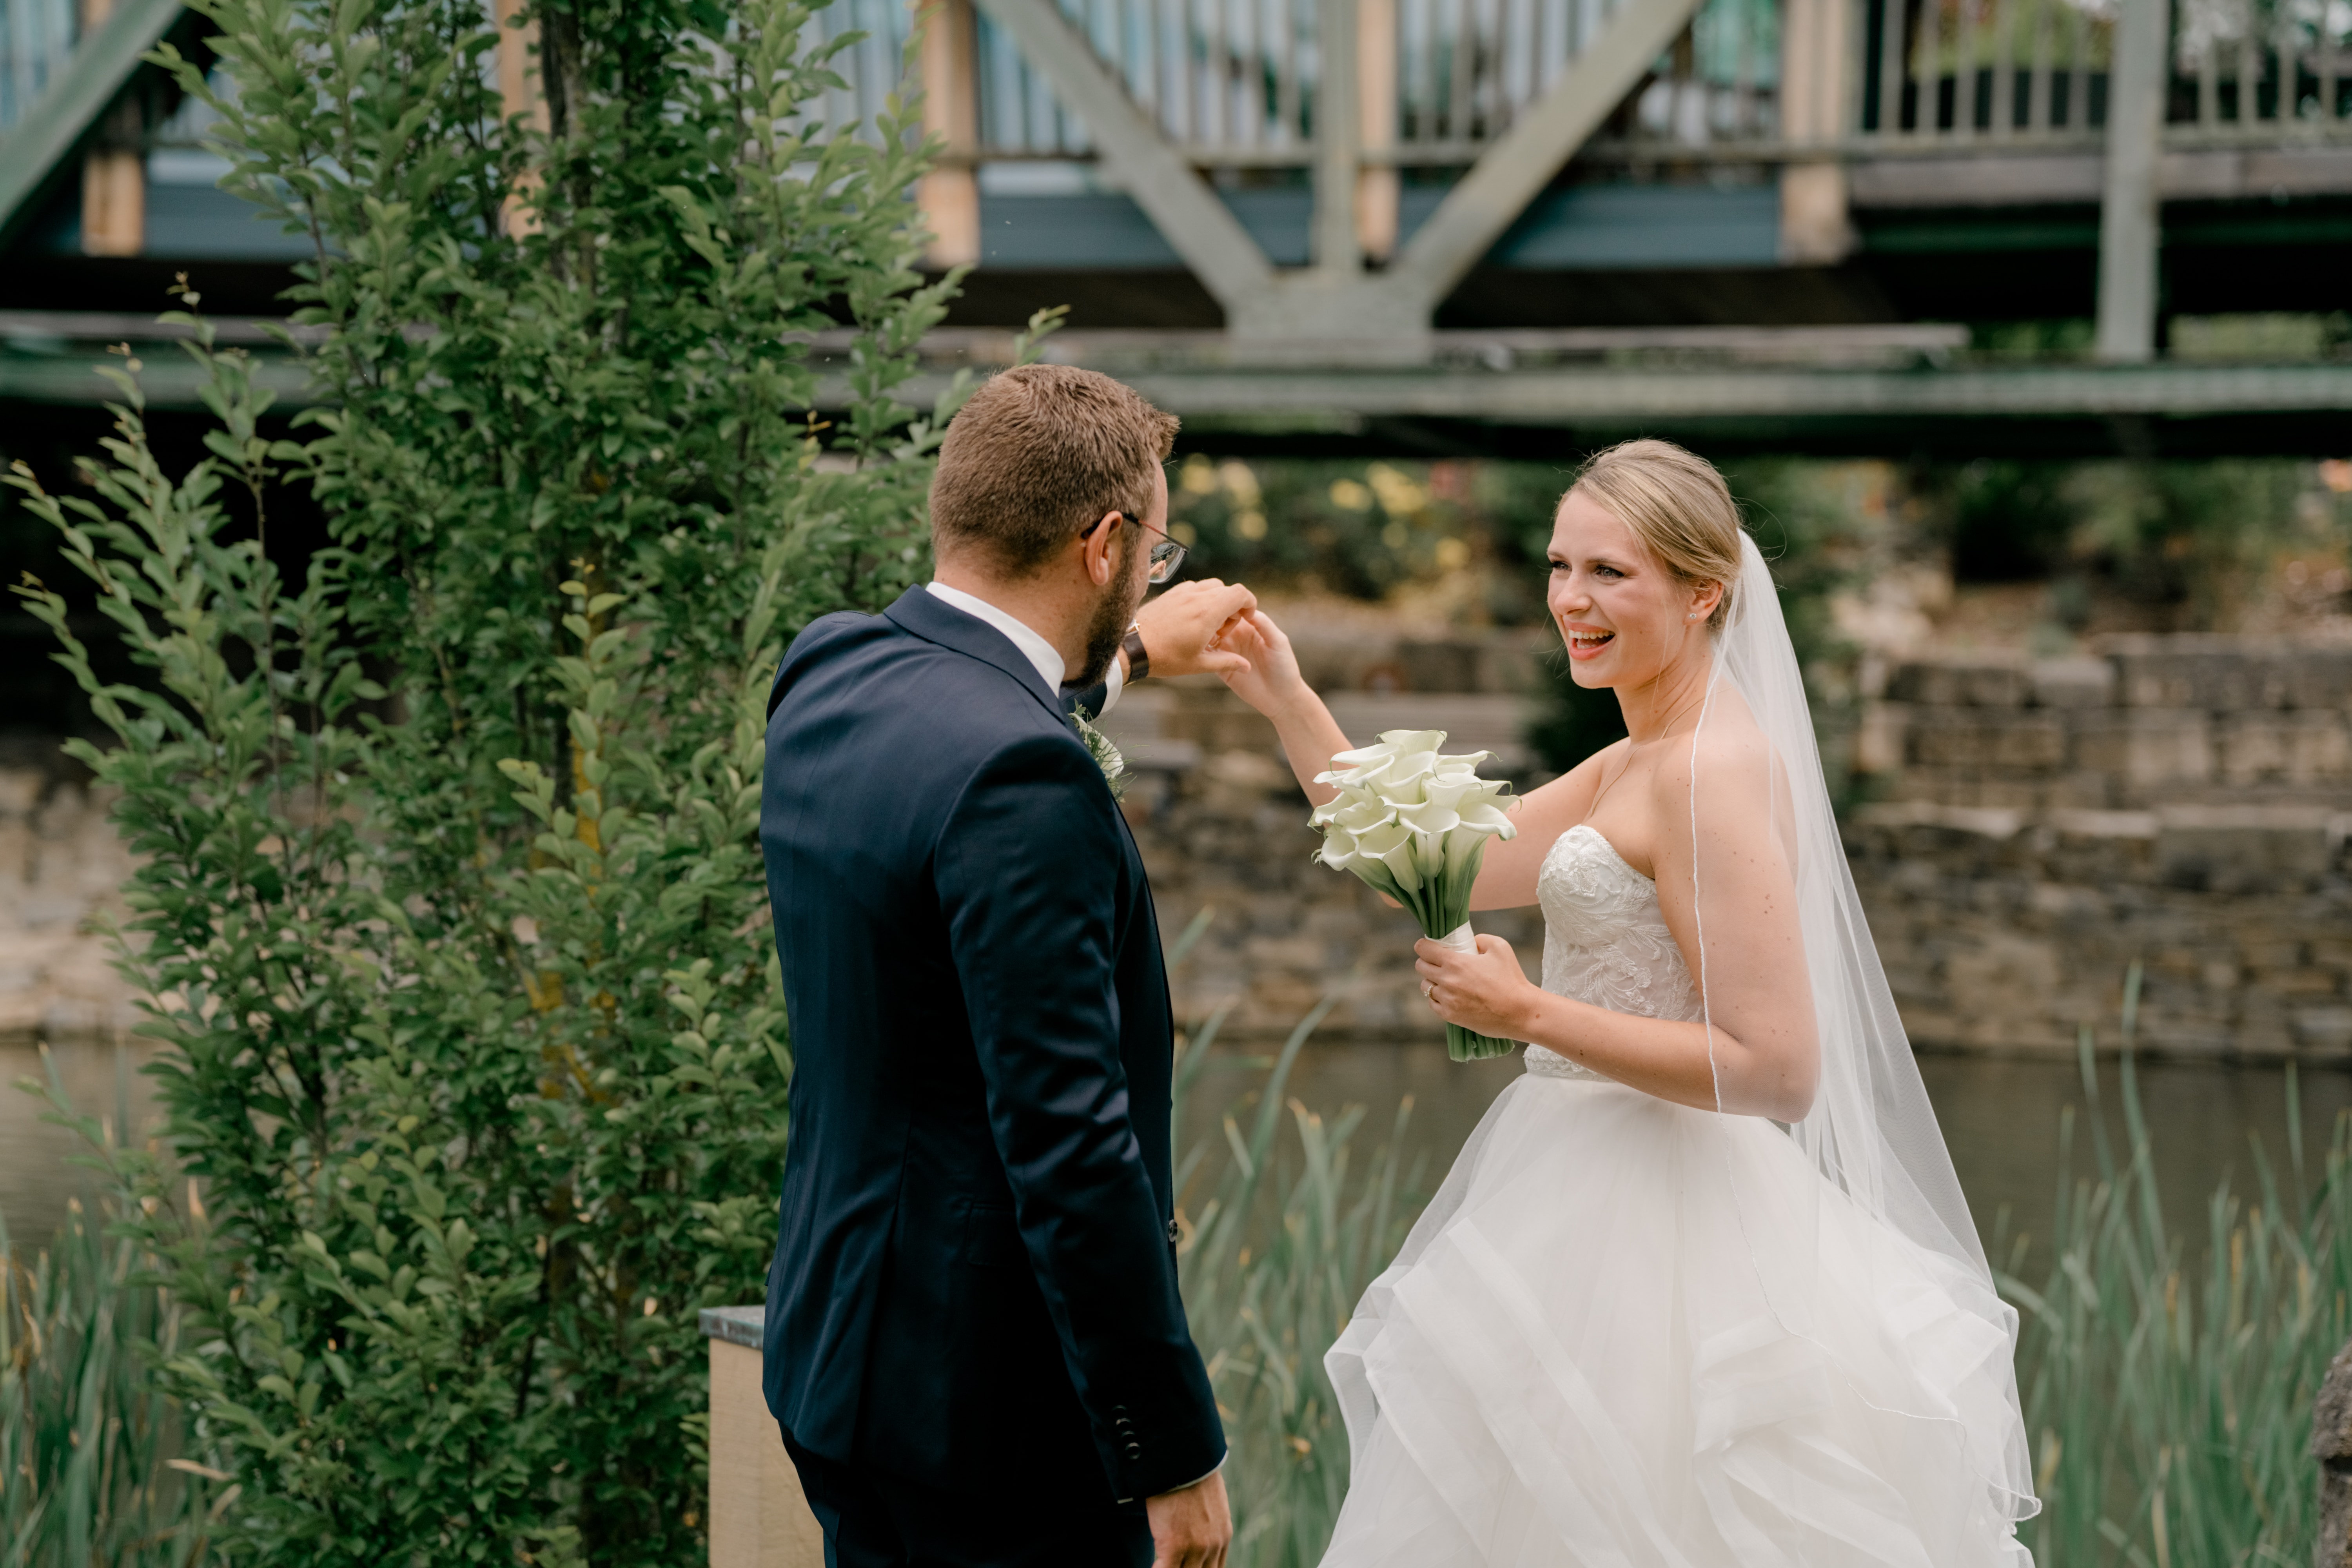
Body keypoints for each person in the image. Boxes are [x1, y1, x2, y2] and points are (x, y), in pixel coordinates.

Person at [1214, 439, 2040, 1566]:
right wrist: (1283, 693)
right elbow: (1431, 853)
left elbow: (1775, 1066)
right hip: (1570, 1190)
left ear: (1704, 593)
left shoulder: (1710, 772)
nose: (1570, 599)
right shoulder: (1639, 757)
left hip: (1667, 1238)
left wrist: (1529, 1016)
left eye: (1610, 573)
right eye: (1560, 566)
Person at [759, 363, 1254, 1567]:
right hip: (986, 1421)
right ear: (1105, 544)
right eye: (1157, 550)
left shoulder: (828, 672)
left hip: (838, 1359)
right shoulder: (1028, 786)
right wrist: (1169, 1450)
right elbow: (1073, 1151)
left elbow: (977, 711)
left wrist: (1126, 655)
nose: (1154, 569)